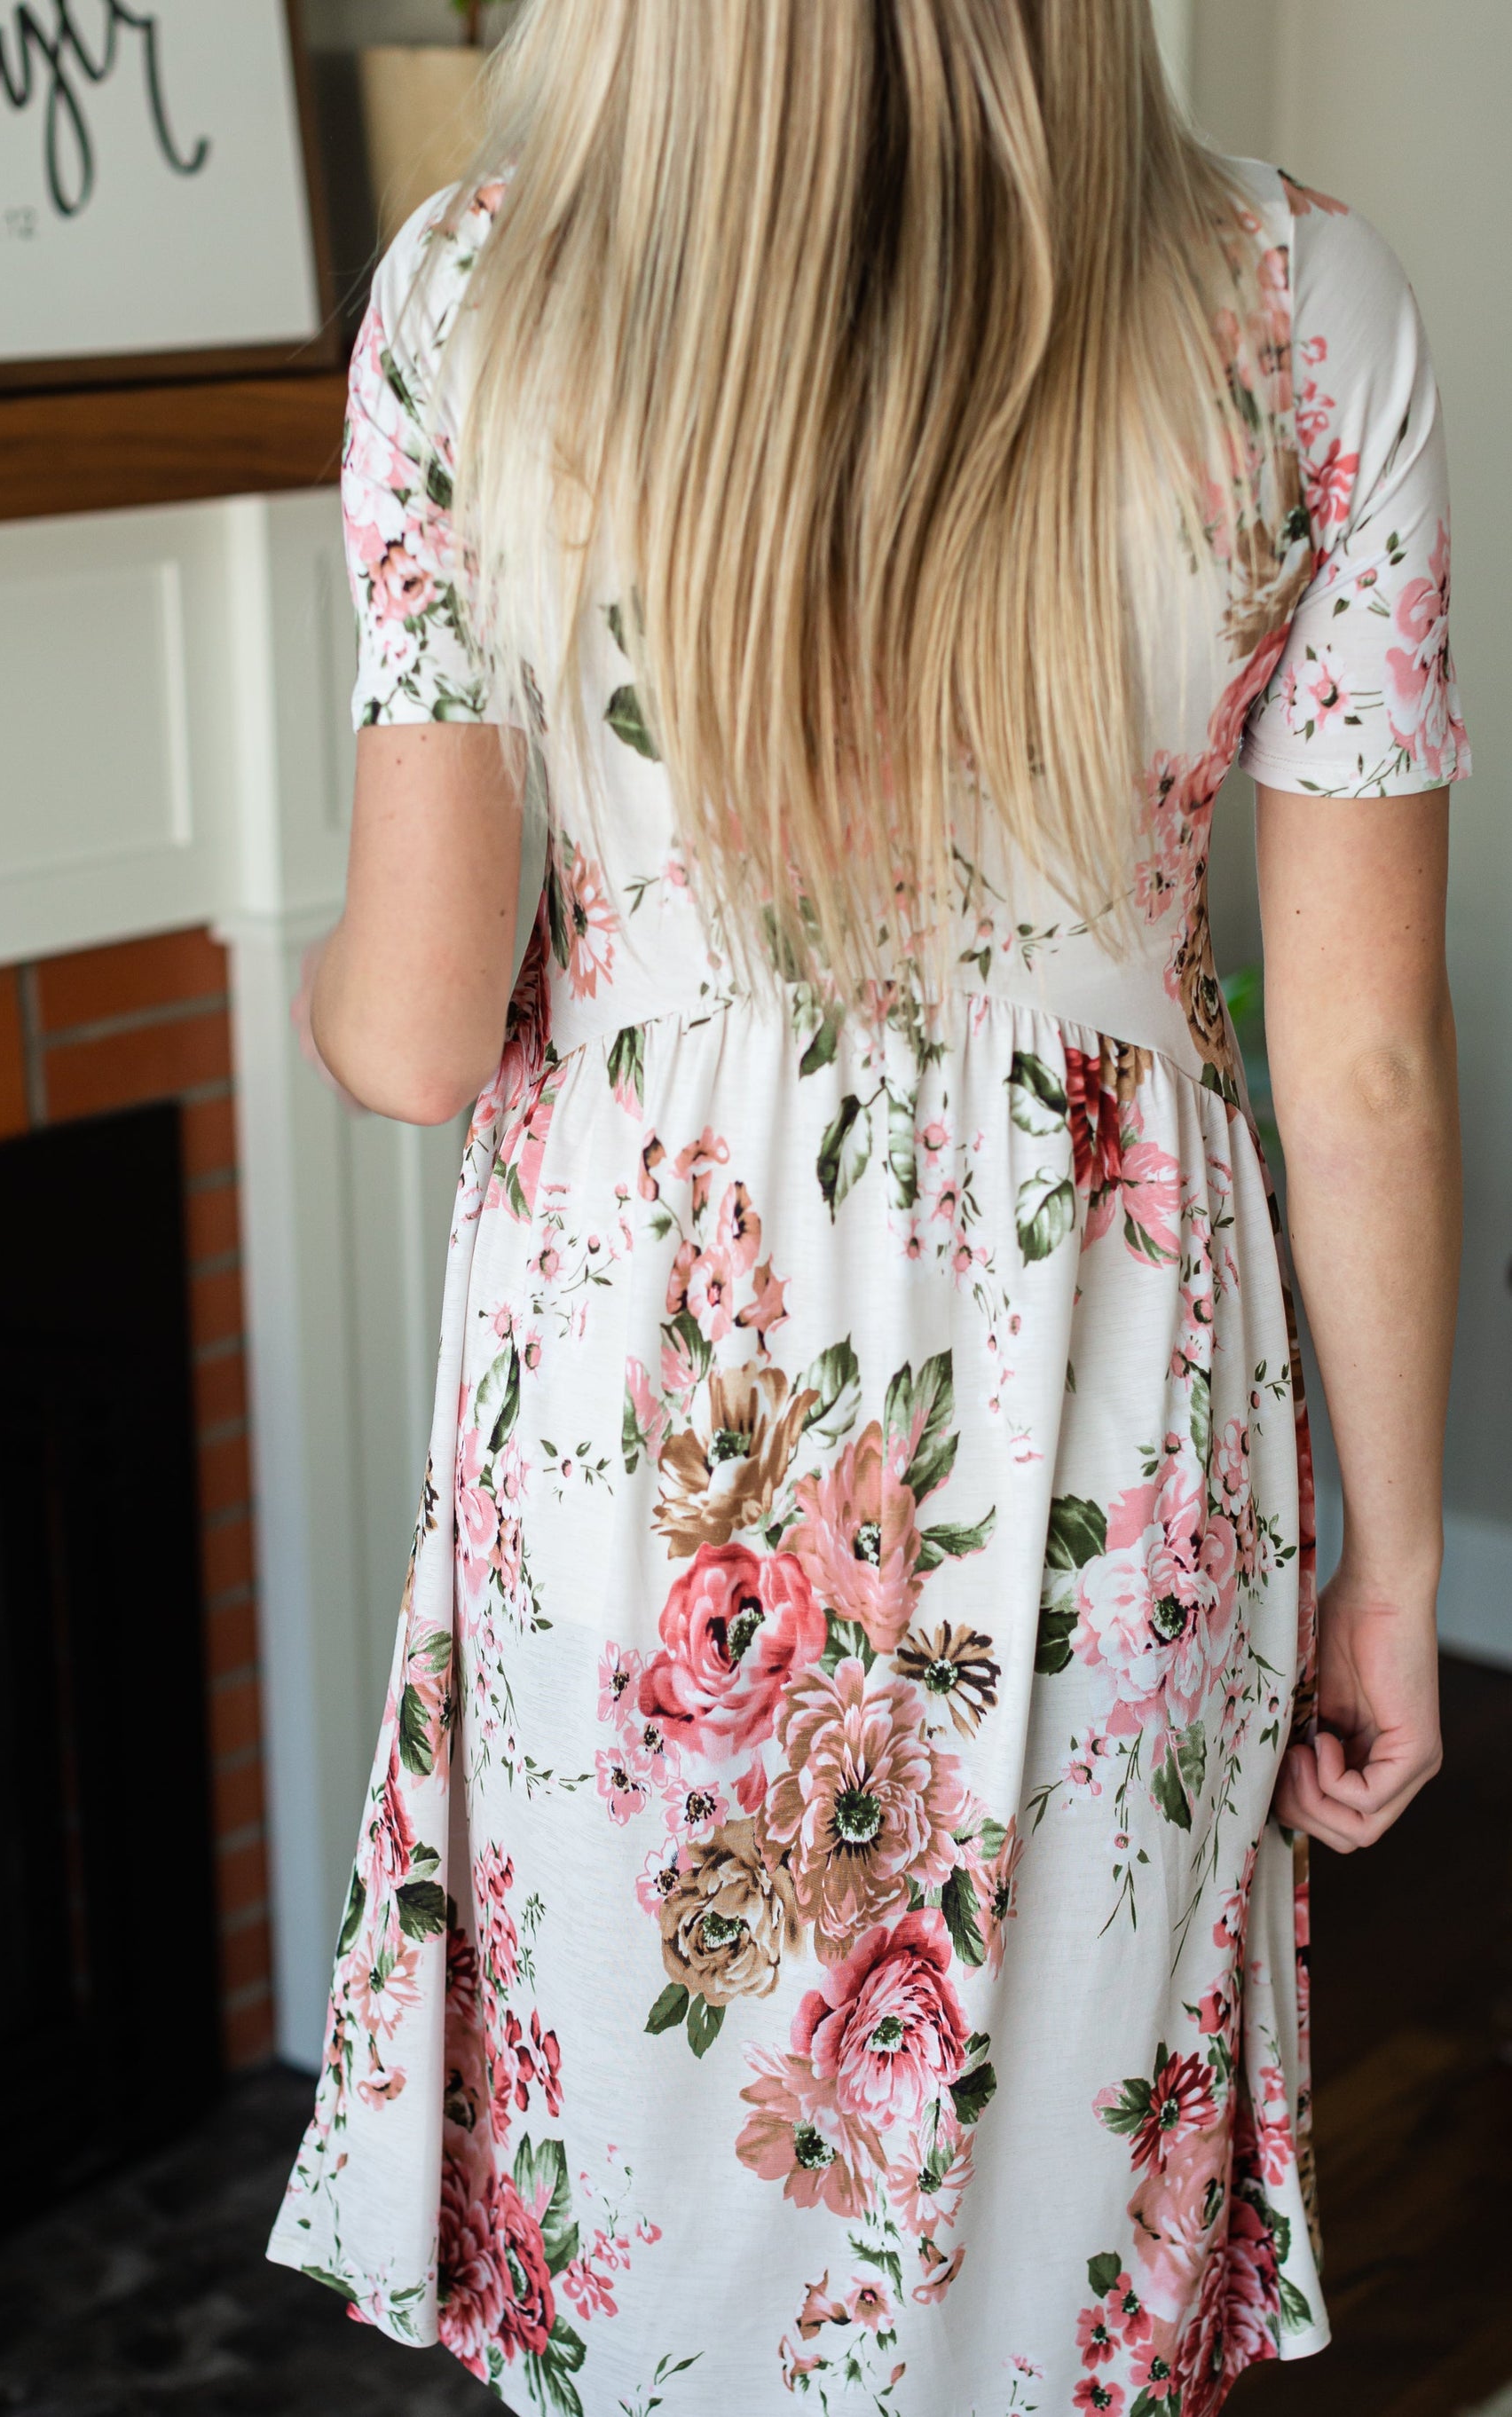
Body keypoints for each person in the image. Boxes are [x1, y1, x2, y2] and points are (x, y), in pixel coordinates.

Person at [269, 4, 1468, 2409]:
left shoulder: (479, 297)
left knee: (658, 2247)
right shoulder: (1296, 306)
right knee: (1048, 2264)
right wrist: (1398, 1574)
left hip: (652, 1455)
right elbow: (1360, 1062)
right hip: (1102, 1413)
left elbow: (407, 1038)